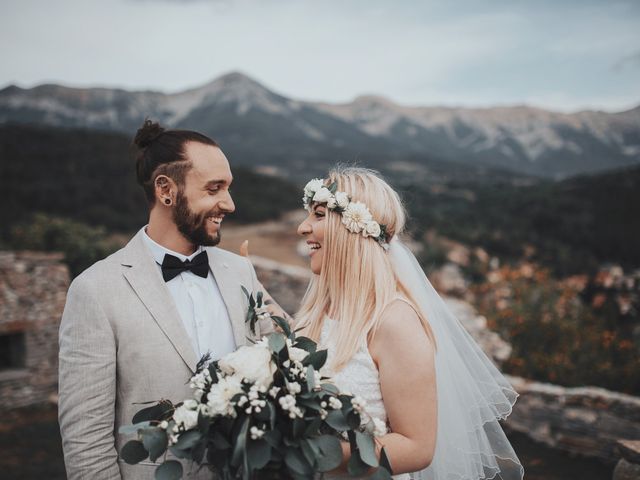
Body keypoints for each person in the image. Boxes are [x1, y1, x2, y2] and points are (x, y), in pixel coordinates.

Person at [58, 120, 278, 480]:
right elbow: (86, 442)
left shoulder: (241, 273)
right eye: (214, 188)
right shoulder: (95, 290)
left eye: (229, 188)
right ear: (166, 190)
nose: (230, 204)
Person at [295, 167, 524, 479]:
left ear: (354, 228)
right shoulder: (319, 309)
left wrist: (306, 454)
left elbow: (416, 447)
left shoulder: (394, 321)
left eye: (319, 215)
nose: (302, 228)